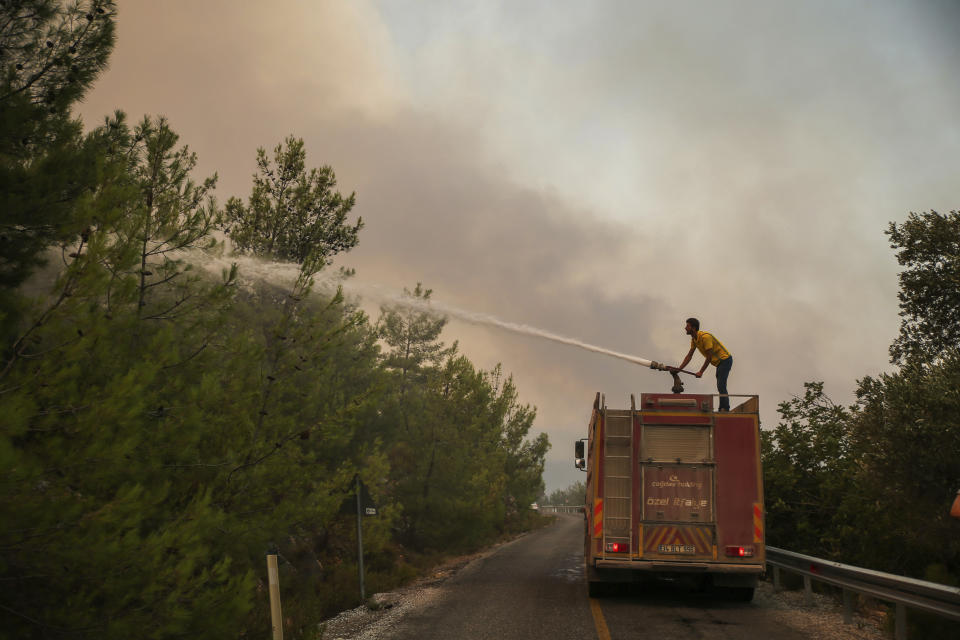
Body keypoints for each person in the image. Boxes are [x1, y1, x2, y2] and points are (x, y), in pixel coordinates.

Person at [675, 317, 733, 411]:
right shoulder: (694, 340)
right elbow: (689, 356)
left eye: (687, 326)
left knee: (721, 385)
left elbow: (709, 357)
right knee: (720, 385)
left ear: (693, 328)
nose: (685, 328)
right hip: (719, 363)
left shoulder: (705, 337)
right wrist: (679, 369)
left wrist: (701, 371)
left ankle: (725, 409)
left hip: (725, 360)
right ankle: (723, 408)